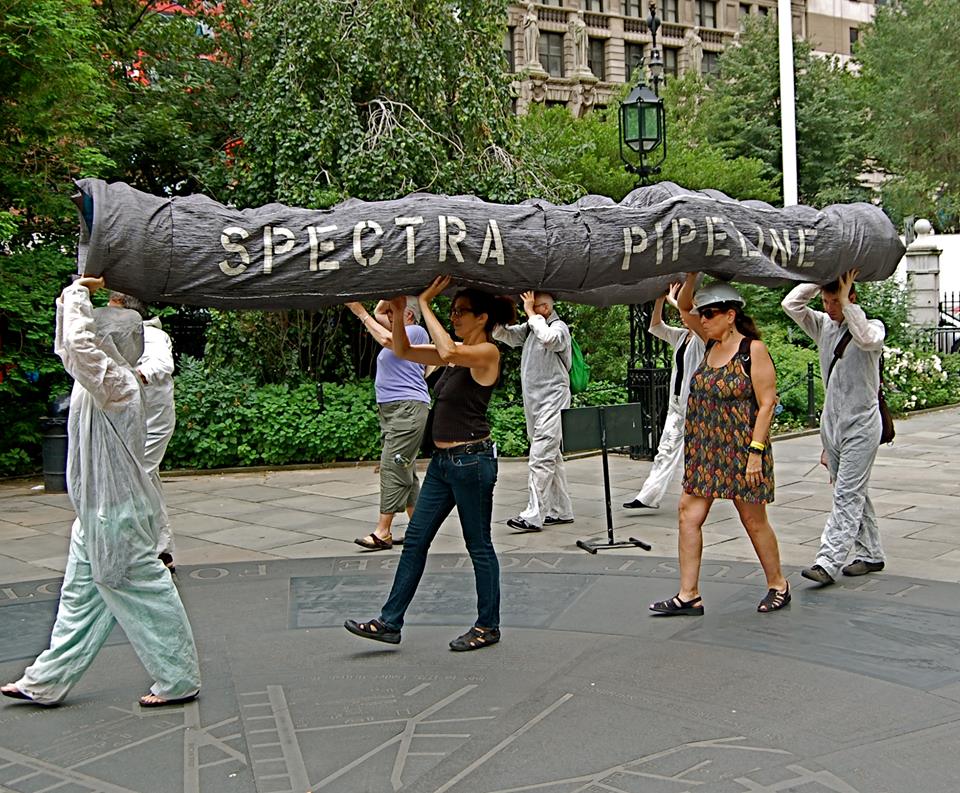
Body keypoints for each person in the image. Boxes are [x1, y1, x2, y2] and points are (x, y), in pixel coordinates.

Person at [2, 277, 200, 707]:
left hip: (117, 513)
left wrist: (78, 292)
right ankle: (46, 680)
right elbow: (70, 346)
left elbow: (77, 346)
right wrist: (72, 299)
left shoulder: (117, 384)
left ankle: (179, 678)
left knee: (146, 592)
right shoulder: (97, 382)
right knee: (80, 600)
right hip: (96, 512)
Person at [344, 276, 515, 651]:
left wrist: (424, 303)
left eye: (461, 311)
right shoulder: (454, 352)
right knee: (415, 540)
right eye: (451, 311)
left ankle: (488, 625)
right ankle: (390, 622)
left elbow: (448, 351)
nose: (454, 317)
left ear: (482, 318)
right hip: (442, 464)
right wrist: (397, 307)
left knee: (478, 545)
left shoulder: (487, 353)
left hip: (472, 462)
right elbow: (402, 349)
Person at [650, 273, 790, 616]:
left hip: (743, 450)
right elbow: (684, 306)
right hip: (705, 450)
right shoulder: (708, 343)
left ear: (730, 314)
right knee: (688, 515)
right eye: (703, 314)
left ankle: (778, 585)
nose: (703, 319)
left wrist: (755, 453)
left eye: (710, 313)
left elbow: (767, 404)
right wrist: (692, 274)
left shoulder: (752, 350)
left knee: (753, 520)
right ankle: (689, 595)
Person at [782, 270, 886, 585]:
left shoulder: (872, 327)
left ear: (851, 298)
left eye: (834, 302)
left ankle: (827, 561)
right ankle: (871, 553)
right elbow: (790, 304)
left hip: (862, 425)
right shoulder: (824, 326)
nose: (829, 308)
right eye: (825, 302)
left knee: (846, 494)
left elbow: (866, 338)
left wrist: (846, 301)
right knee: (852, 492)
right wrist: (821, 277)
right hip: (832, 426)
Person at [346, 297, 431, 550]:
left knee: (392, 466)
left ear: (409, 315)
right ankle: (419, 529)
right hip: (395, 411)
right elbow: (379, 311)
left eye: (395, 312)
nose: (389, 316)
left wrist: (359, 312)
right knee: (404, 469)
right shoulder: (401, 329)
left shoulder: (415, 332)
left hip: (407, 409)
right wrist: (394, 293)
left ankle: (383, 532)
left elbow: (385, 339)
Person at [493, 291, 574, 533]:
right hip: (535, 402)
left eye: (533, 306)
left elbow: (549, 339)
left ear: (545, 309)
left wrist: (530, 313)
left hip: (553, 399)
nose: (528, 310)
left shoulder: (558, 328)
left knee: (540, 457)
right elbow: (503, 335)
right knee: (551, 456)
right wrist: (499, 311)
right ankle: (561, 510)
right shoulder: (531, 329)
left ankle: (533, 515)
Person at [108, 291, 177, 571]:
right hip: (135, 419)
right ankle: (160, 548)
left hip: (154, 420)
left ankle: (145, 548)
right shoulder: (123, 335)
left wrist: (131, 378)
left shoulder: (152, 336)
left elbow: (162, 365)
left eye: (111, 305)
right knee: (147, 478)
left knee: (138, 477)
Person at [623, 283, 705, 511]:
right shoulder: (681, 337)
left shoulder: (704, 338)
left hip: (696, 407)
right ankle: (647, 497)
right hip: (677, 405)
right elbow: (656, 326)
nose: (684, 316)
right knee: (665, 450)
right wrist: (659, 300)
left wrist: (674, 300)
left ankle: (698, 493)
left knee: (696, 452)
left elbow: (689, 315)